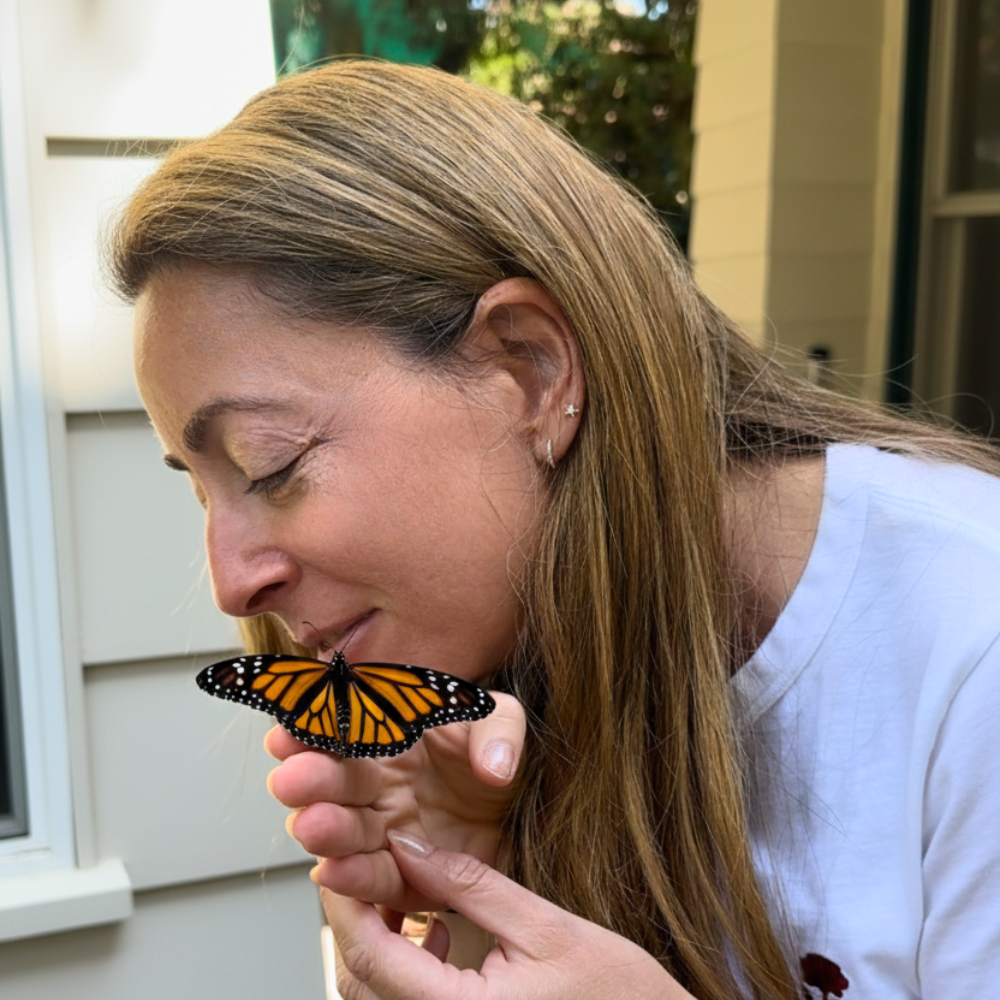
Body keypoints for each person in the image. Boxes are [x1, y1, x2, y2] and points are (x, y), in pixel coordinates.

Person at [110, 60, 1000, 1000]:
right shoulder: (468, 716)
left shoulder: (969, 636)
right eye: (201, 492)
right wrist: (464, 910)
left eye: (270, 463)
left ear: (530, 368)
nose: (229, 580)